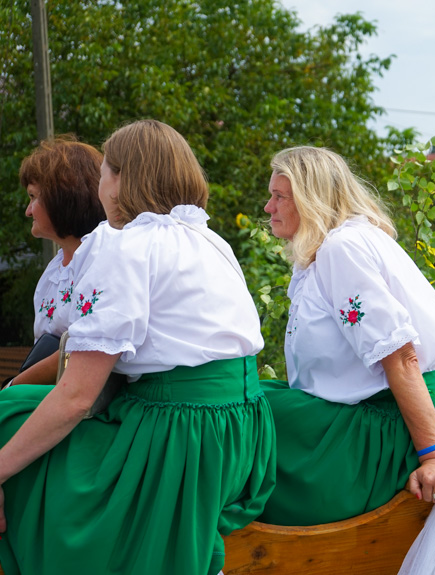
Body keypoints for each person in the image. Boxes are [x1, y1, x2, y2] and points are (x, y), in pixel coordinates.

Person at [0, 120, 275, 575]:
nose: (101, 186)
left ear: (123, 178)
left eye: (105, 172)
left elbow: (75, 397)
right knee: (23, 405)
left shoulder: (125, 244)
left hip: (181, 435)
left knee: (11, 416)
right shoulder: (209, 240)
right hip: (242, 432)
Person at [258, 146, 435, 526]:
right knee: (252, 401)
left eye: (279, 196)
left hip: (384, 430)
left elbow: (401, 356)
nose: (269, 207)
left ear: (311, 199)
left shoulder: (342, 248)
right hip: (369, 416)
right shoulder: (338, 244)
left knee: (242, 421)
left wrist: (434, 456)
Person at [8, 137, 105, 387]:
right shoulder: (54, 270)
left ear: (62, 197)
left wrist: (12, 387)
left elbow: (79, 352)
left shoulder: (101, 258)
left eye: (33, 197)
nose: (28, 211)